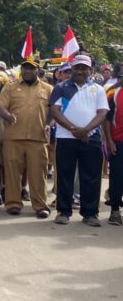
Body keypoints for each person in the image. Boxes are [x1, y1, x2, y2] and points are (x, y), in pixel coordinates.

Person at [49, 54, 109, 226]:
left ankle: (90, 214)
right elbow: (55, 110)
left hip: (92, 138)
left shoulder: (98, 89)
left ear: (90, 70)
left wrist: (86, 130)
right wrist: (73, 129)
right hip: (66, 137)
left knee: (91, 176)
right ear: (72, 68)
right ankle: (63, 211)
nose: (81, 71)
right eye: (78, 67)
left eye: (84, 68)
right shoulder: (61, 87)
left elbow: (102, 112)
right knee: (65, 175)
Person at [0, 56, 53, 218]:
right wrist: (7, 116)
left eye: (31, 68)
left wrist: (50, 123)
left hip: (38, 138)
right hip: (13, 137)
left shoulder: (48, 88)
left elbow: (54, 110)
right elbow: (1, 107)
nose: (27, 71)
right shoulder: (10, 87)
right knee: (13, 172)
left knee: (38, 174)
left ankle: (40, 205)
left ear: (38, 70)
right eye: (25, 68)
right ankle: (13, 203)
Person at [104, 64, 123, 225]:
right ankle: (115, 211)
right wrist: (109, 140)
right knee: (117, 176)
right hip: (118, 141)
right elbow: (106, 118)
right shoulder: (113, 91)